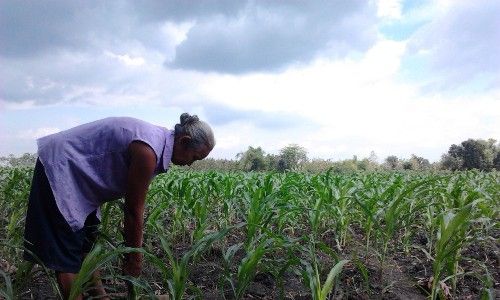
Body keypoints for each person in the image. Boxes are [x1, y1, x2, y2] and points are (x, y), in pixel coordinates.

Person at [23, 113, 215, 299]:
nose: (191, 164)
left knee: (86, 246)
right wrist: (134, 257)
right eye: (195, 157)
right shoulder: (148, 151)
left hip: (82, 182)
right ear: (183, 141)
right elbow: (132, 210)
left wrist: (133, 254)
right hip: (62, 168)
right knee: (67, 255)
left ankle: (100, 297)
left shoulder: (155, 142)